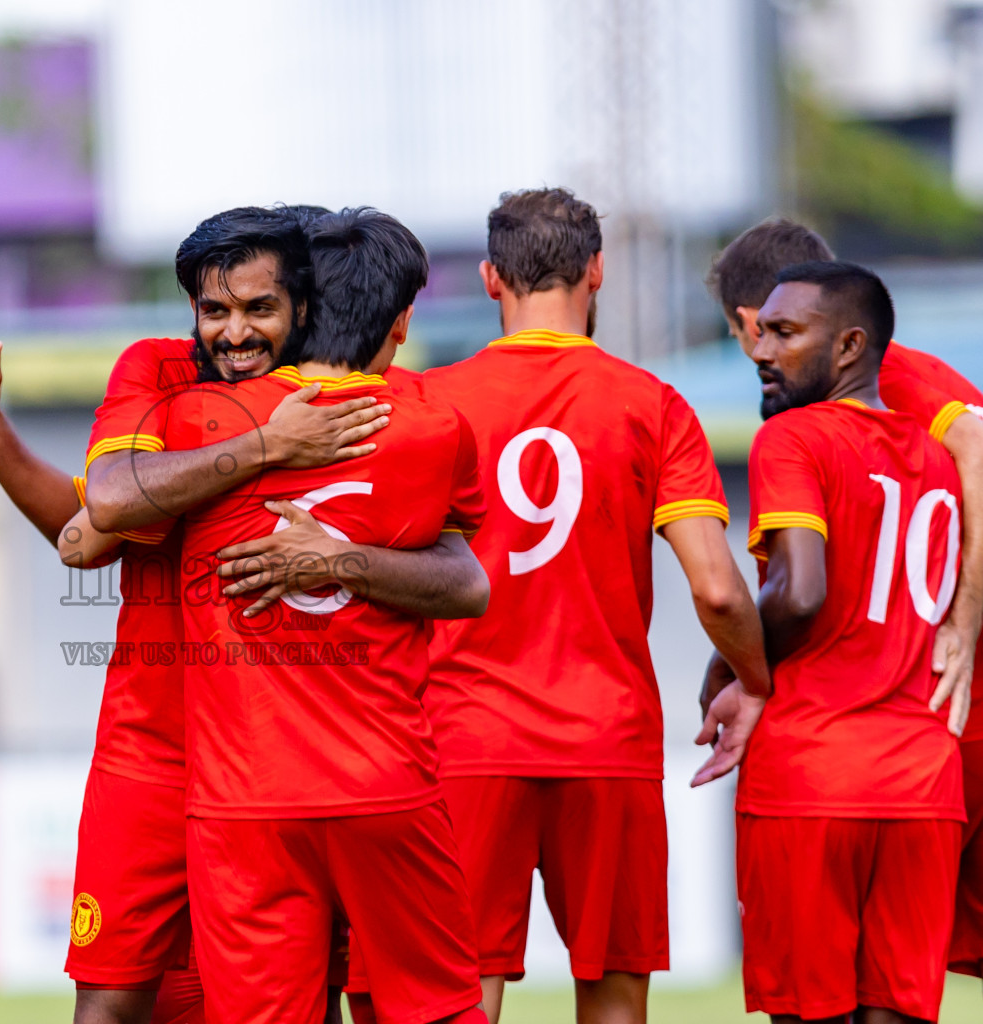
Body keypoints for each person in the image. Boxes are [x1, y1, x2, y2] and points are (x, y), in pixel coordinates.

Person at [405, 188, 769, 1024]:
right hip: (605, 739)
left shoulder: (429, 401)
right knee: (613, 1001)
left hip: (459, 737)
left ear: (492, 280)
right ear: (598, 270)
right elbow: (715, 585)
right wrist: (753, 680)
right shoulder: (655, 405)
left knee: (461, 996)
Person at [149, 207, 489, 1024]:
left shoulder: (203, 417)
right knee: (437, 1009)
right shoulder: (436, 427)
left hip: (247, 796)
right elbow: (467, 584)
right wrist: (350, 563)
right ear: (404, 320)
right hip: (387, 782)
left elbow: (98, 522)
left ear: (297, 306)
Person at [706, 220, 983, 983]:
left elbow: (798, 593)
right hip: (925, 760)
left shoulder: (829, 422)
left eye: (776, 332)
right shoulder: (918, 445)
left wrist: (734, 665)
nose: (761, 353)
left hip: (840, 756)